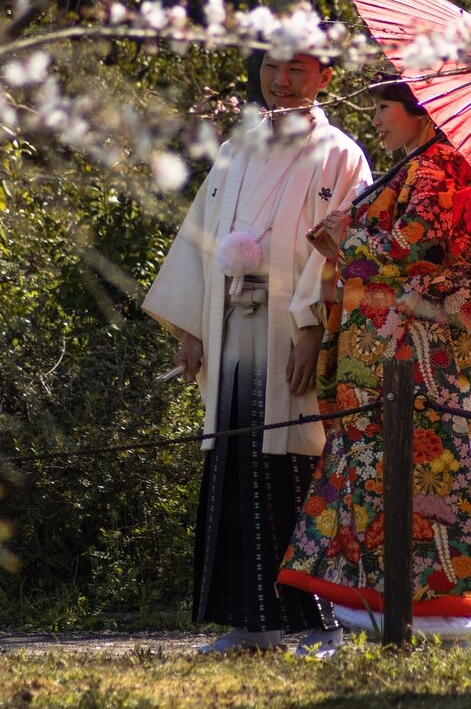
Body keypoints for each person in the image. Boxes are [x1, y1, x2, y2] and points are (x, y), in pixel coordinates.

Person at [142, 50, 371, 654]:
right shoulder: (237, 149)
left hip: (292, 331)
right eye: (272, 67)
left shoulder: (341, 156)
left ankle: (322, 623)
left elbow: (340, 252)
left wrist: (313, 331)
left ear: (326, 75)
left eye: (297, 69)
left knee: (297, 468)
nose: (282, 80)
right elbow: (201, 238)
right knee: (235, 469)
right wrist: (192, 326)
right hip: (230, 325)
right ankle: (254, 621)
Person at [277, 78, 471, 643]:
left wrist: (343, 244)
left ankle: (423, 615)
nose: (374, 119)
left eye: (383, 109)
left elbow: (410, 248)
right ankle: (399, 612)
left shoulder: (436, 171)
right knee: (404, 480)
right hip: (400, 356)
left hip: (416, 357)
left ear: (420, 114)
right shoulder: (418, 167)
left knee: (417, 478)